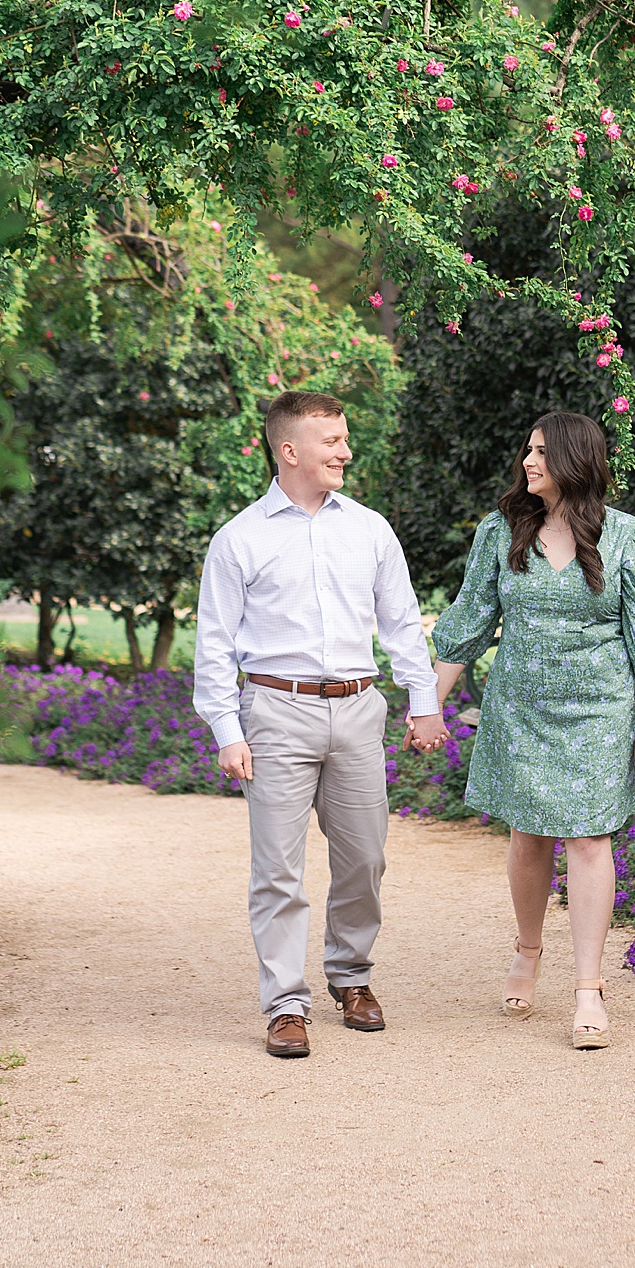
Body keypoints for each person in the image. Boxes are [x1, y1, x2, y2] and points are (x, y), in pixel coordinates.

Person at [193, 389, 448, 1058]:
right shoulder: (240, 539)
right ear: (290, 450)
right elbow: (215, 644)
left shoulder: (369, 529)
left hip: (359, 709)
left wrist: (424, 701)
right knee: (277, 868)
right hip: (276, 710)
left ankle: (351, 976)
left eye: (343, 438)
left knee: (365, 856)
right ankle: (284, 1004)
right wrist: (227, 728)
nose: (345, 451)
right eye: (331, 440)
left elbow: (400, 624)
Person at [430, 411, 635, 1050]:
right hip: (522, 707)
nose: (527, 462)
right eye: (526, 451)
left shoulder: (626, 536)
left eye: (540, 452)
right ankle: (527, 950)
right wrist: (430, 704)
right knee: (529, 833)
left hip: (600, 709)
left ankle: (588, 987)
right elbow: (470, 621)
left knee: (590, 839)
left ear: (573, 460)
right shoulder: (500, 531)